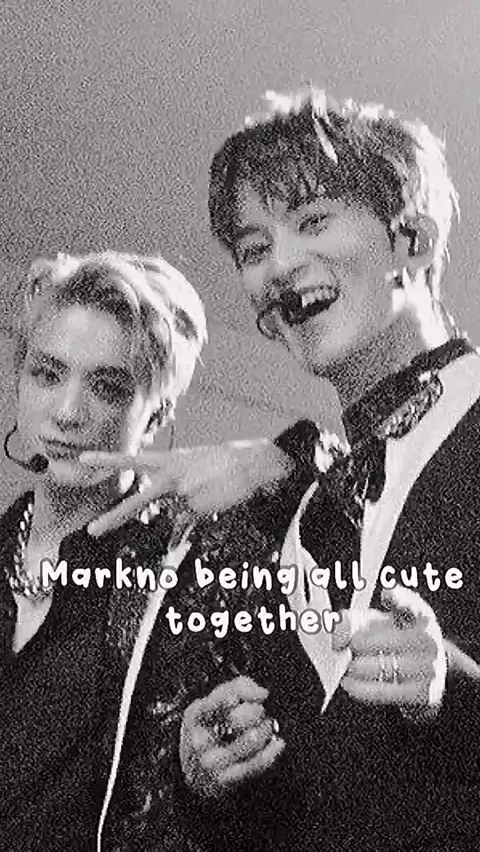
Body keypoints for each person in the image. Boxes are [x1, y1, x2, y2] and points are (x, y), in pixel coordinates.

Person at [83, 87, 480, 851]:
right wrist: (213, 783)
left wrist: (451, 689)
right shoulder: (303, 521)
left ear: (413, 240)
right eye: (253, 247)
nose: (279, 265)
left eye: (313, 220)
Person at [0, 249, 208, 851]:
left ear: (156, 414)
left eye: (108, 387)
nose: (67, 413)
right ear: (19, 380)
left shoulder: (185, 582)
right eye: (47, 374)